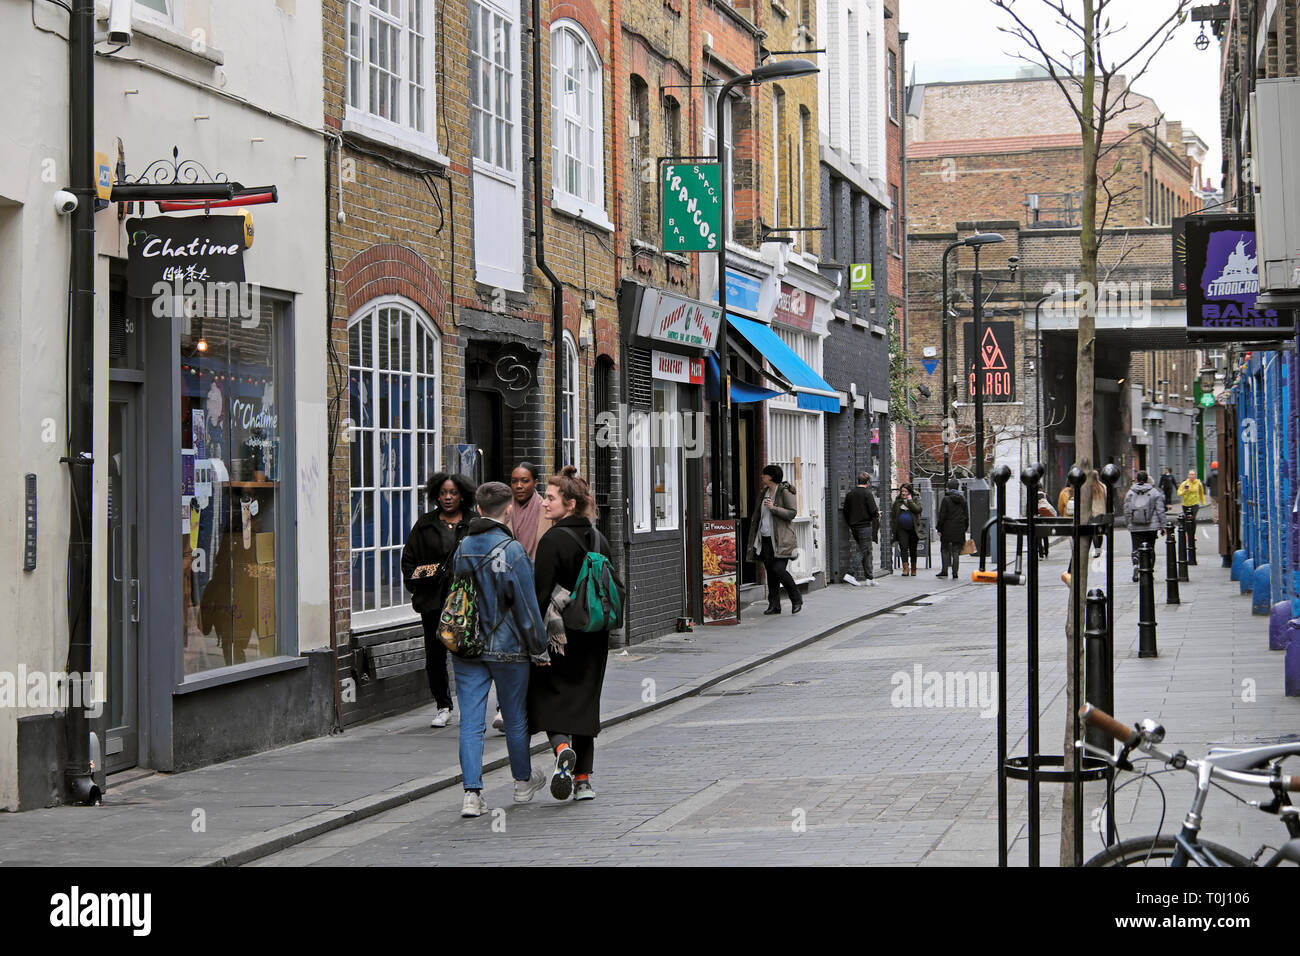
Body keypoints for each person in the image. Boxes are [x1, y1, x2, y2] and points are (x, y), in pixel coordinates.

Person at [451, 482, 550, 818]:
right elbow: (526, 607)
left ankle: (472, 794)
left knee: (470, 722)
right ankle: (522, 783)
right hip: (508, 649)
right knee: (515, 718)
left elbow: (457, 595)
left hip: (466, 647)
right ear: (508, 509)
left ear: (478, 509)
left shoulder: (463, 547)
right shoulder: (513, 552)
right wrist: (539, 647)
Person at [528, 467, 612, 802]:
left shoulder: (552, 540)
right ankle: (583, 781)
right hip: (594, 634)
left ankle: (562, 747)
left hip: (558, 636)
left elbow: (540, 593)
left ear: (570, 503)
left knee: (547, 697)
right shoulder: (599, 538)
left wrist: (531, 637)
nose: (544, 503)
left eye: (549, 498)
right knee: (585, 704)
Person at [401, 472, 477, 728]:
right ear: (436, 494)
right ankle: (443, 705)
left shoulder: (473, 523)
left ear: (462, 495)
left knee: (467, 653)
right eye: (443, 493)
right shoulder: (425, 524)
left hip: (464, 601)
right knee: (435, 656)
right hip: (433, 601)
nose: (447, 497)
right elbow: (408, 560)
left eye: (453, 493)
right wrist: (417, 586)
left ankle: (471, 705)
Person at [748, 465, 803, 613]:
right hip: (765, 539)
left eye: (764, 474)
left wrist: (774, 508)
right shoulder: (764, 492)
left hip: (781, 540)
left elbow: (792, 513)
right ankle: (774, 605)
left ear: (771, 476)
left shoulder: (784, 492)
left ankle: (796, 597)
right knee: (770, 573)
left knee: (778, 570)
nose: (762, 477)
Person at [1123, 470, 1166, 582]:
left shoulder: (1130, 493)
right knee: (1150, 549)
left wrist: (1129, 523)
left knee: (1136, 548)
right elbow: (1160, 510)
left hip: (1135, 526)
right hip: (1151, 527)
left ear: (1136, 479)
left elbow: (1126, 510)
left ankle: (1136, 565)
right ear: (1147, 479)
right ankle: (1149, 572)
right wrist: (1163, 525)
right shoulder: (1155, 492)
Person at [506, 462, 551, 561]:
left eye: (525, 481)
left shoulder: (547, 510)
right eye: (514, 481)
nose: (519, 486)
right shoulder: (504, 509)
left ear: (535, 483)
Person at [841, 471, 880, 587]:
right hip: (864, 526)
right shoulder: (867, 494)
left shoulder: (850, 494)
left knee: (866, 551)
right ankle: (850, 574)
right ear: (868, 482)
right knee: (864, 550)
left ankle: (869, 578)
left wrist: (850, 523)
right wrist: (877, 514)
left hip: (854, 526)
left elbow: (845, 512)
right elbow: (873, 510)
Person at [934, 479, 968, 579]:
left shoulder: (946, 499)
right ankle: (955, 573)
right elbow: (966, 515)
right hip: (959, 528)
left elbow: (942, 516)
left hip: (947, 528)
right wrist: (965, 527)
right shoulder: (963, 499)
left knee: (944, 549)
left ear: (949, 487)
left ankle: (944, 570)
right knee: (956, 551)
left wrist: (939, 528)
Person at [891, 482, 923, 575]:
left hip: (913, 528)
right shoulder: (897, 501)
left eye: (906, 491)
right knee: (903, 548)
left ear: (910, 492)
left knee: (913, 549)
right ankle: (905, 568)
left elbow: (918, 510)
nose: (904, 493)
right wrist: (893, 529)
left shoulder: (915, 499)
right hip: (901, 529)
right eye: (902, 491)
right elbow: (893, 516)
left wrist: (909, 501)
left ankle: (914, 568)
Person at [1035, 491, 1056, 559]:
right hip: (1045, 518)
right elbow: (1051, 505)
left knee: (1038, 536)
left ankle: (1040, 554)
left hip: (1037, 518)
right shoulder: (1045, 495)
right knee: (1045, 535)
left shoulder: (1032, 495)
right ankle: (1046, 551)